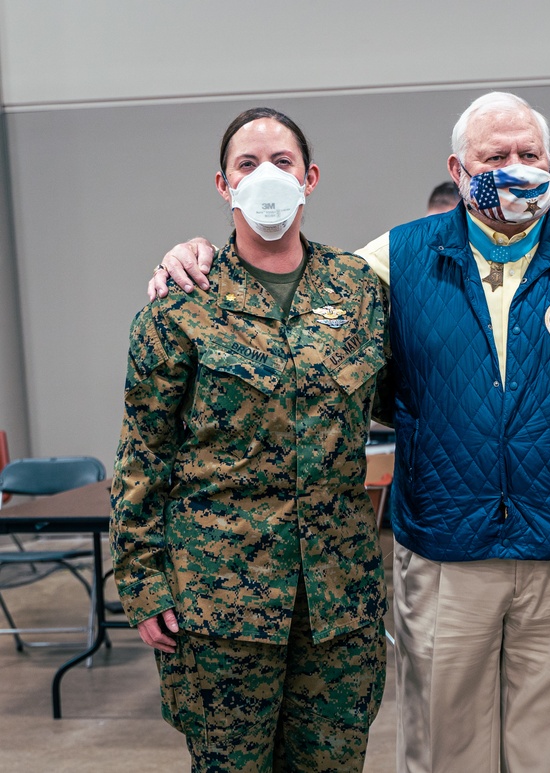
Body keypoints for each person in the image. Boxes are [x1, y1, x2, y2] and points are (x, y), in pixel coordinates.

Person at [147, 92, 550, 773]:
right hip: (445, 555)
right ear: (459, 169)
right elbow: (291, 280)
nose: (515, 167)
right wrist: (198, 251)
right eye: (495, 156)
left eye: (529, 154)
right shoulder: (393, 260)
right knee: (445, 752)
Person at [111, 107, 388, 773]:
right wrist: (144, 586)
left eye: (282, 162)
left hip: (338, 602)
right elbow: (141, 457)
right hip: (222, 605)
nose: (266, 176)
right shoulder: (179, 306)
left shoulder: (358, 293)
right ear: (223, 184)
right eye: (247, 163)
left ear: (310, 178)